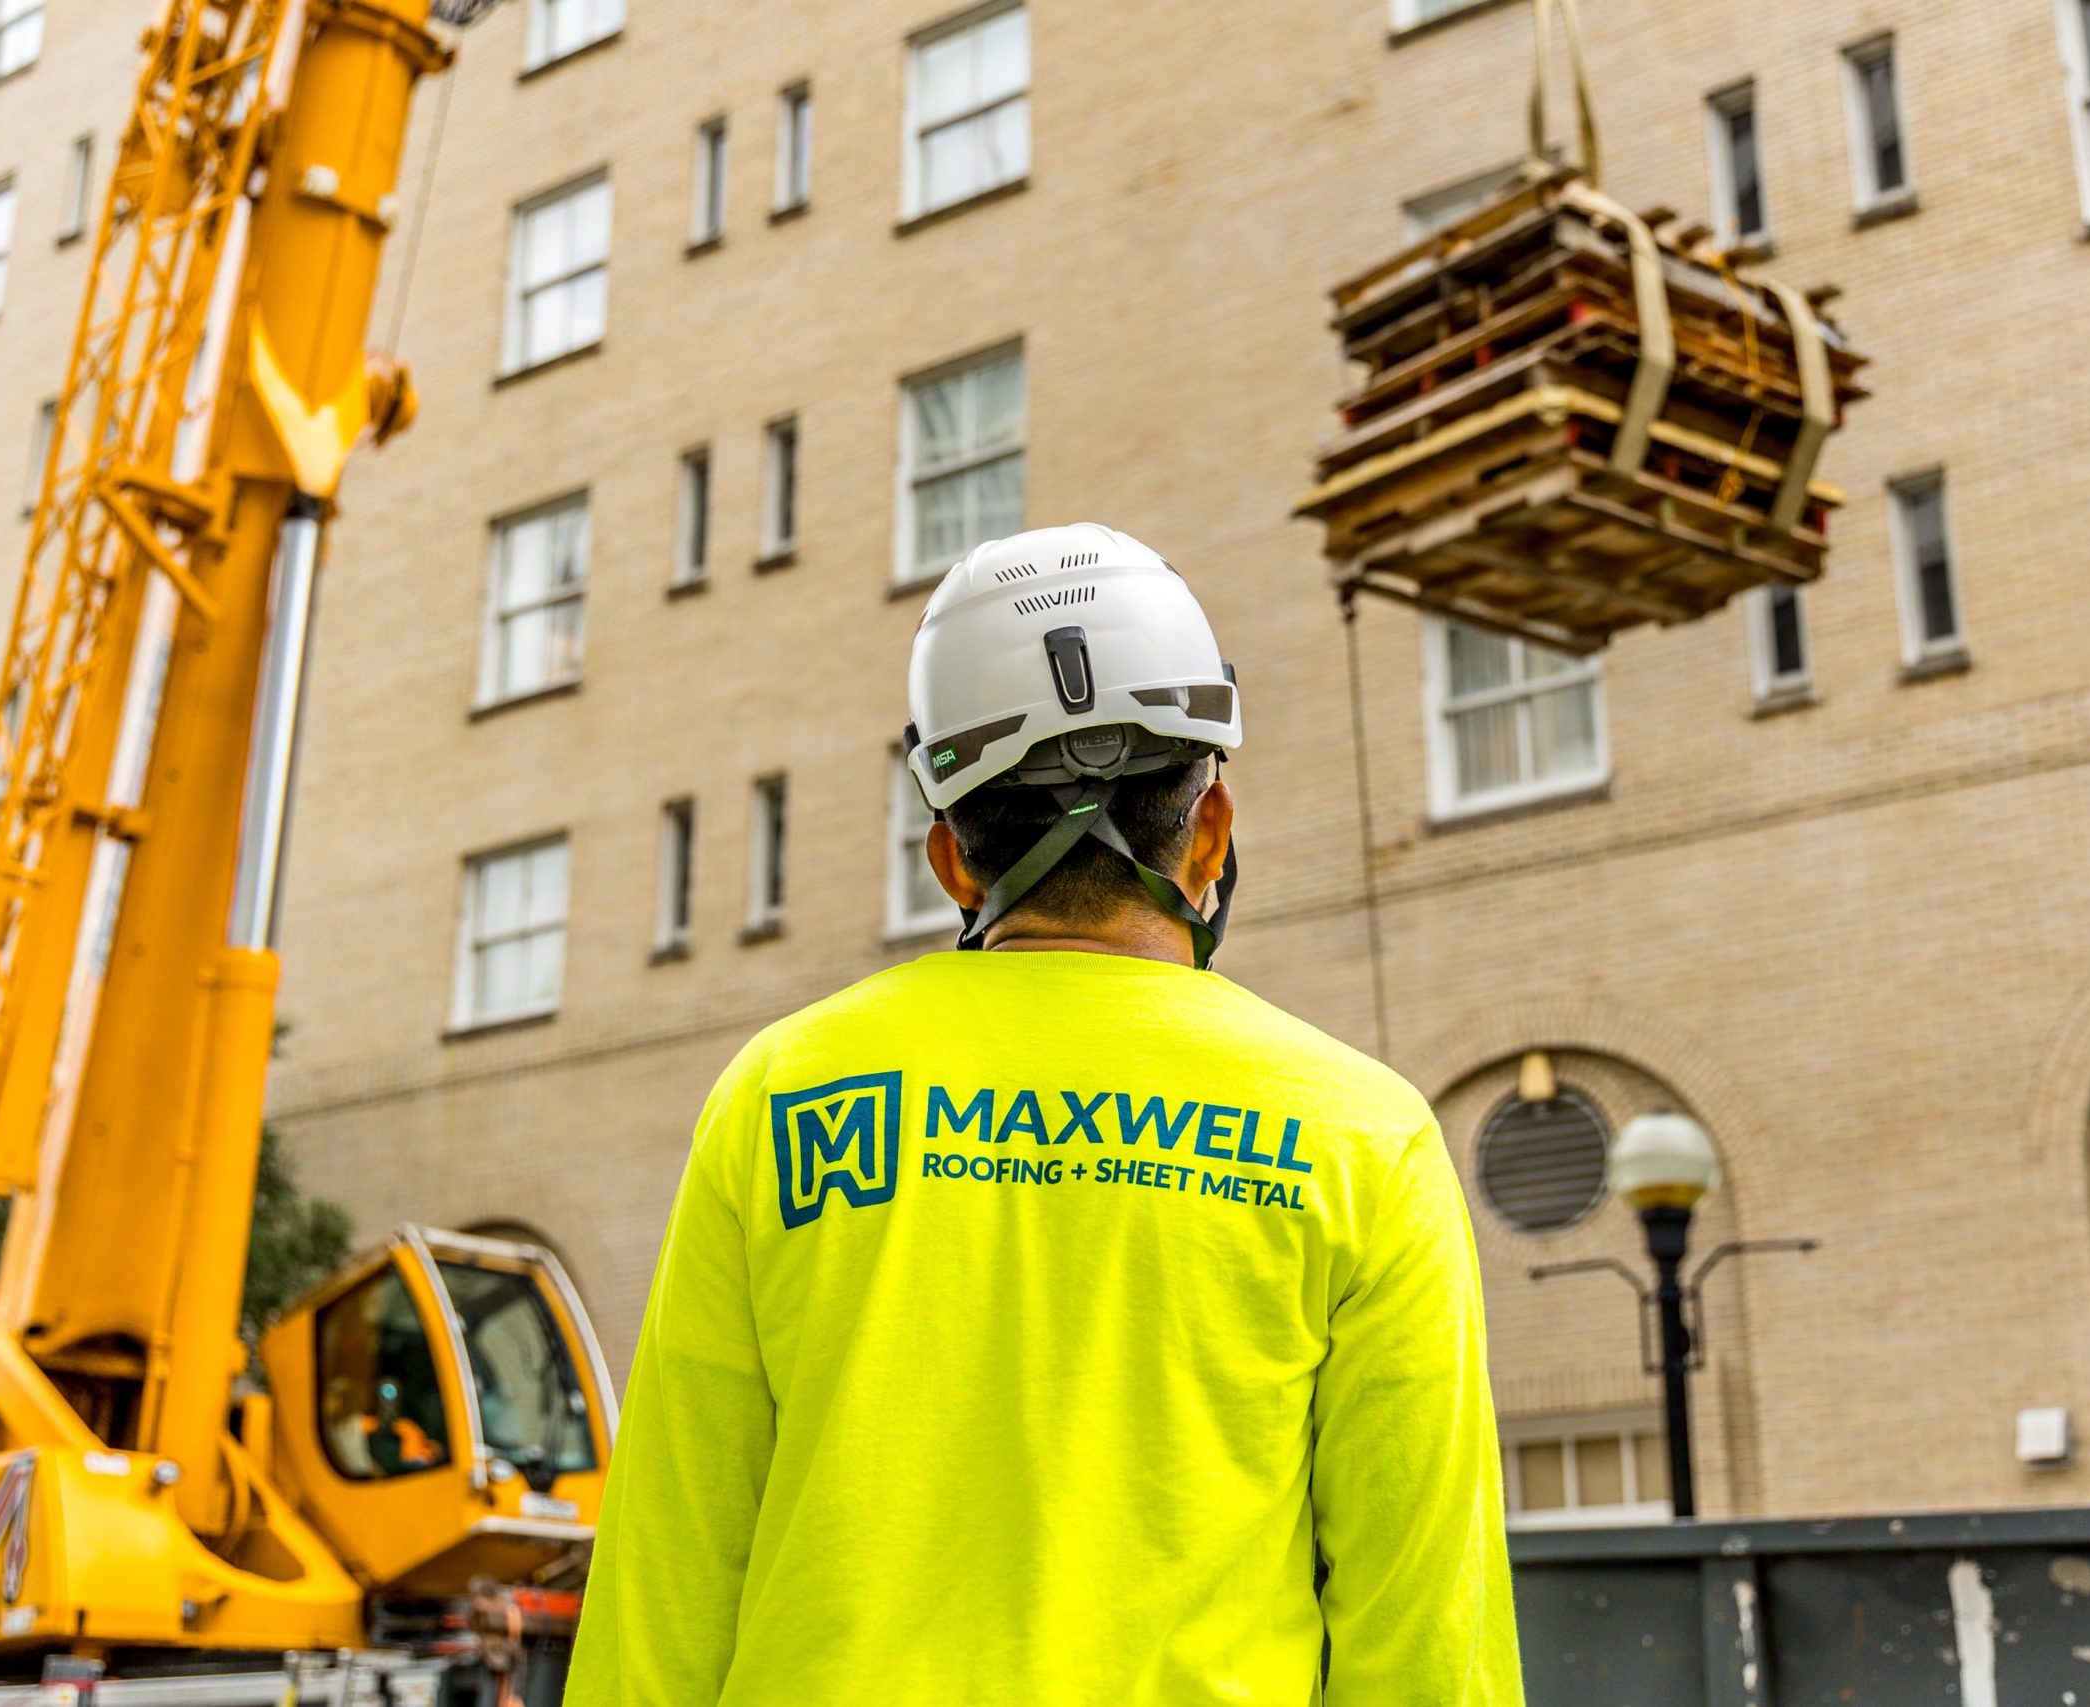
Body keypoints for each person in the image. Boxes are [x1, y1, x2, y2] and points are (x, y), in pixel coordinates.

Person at [567, 523, 1522, 1704]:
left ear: (952, 861)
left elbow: (666, 1575)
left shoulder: (781, 1095)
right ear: (1208, 831)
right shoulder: (1361, 1136)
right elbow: (1427, 1631)